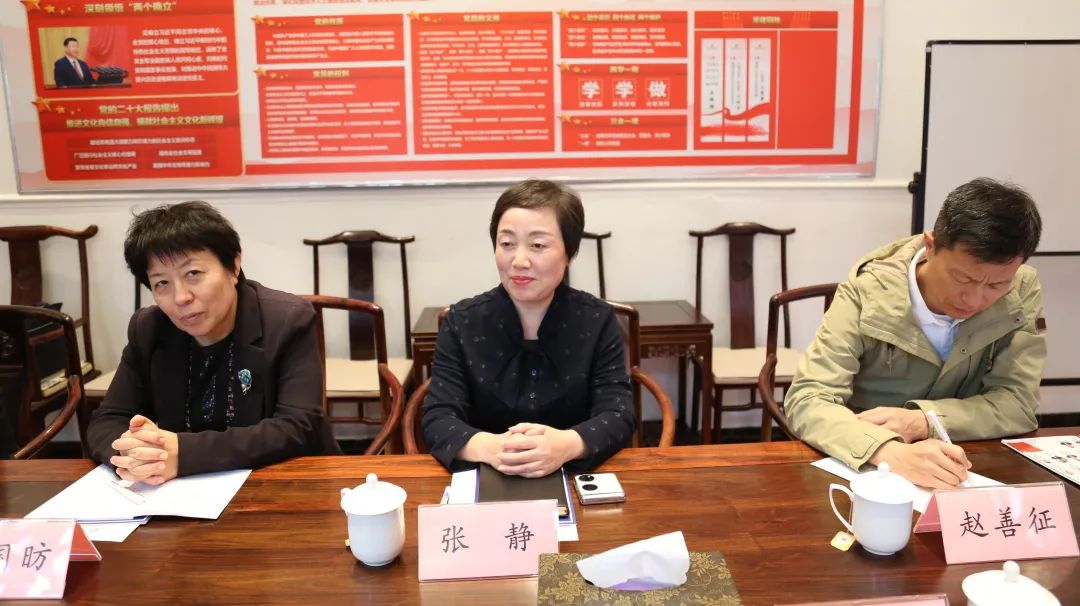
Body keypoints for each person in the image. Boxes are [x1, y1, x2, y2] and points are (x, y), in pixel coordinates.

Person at [786, 178, 1045, 488]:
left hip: (970, 467)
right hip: (866, 470)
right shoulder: (868, 292)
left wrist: (924, 420)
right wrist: (888, 452)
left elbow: (1018, 402)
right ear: (931, 246)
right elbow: (809, 398)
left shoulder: (1021, 291)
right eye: (963, 278)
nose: (975, 300)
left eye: (996, 285)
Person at [87, 201, 339, 484]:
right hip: (182, 493)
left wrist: (184, 454)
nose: (181, 297)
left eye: (193, 274)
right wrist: (136, 455)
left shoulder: (287, 320)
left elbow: (298, 428)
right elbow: (107, 420)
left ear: (233, 265)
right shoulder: (148, 329)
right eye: (162, 283)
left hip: (283, 483)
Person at [422, 179, 635, 477]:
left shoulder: (596, 320)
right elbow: (438, 418)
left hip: (574, 474)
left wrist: (566, 445)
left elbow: (618, 413)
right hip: (486, 476)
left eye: (538, 245)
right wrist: (494, 448)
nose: (519, 261)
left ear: (570, 253)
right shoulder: (463, 322)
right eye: (507, 244)